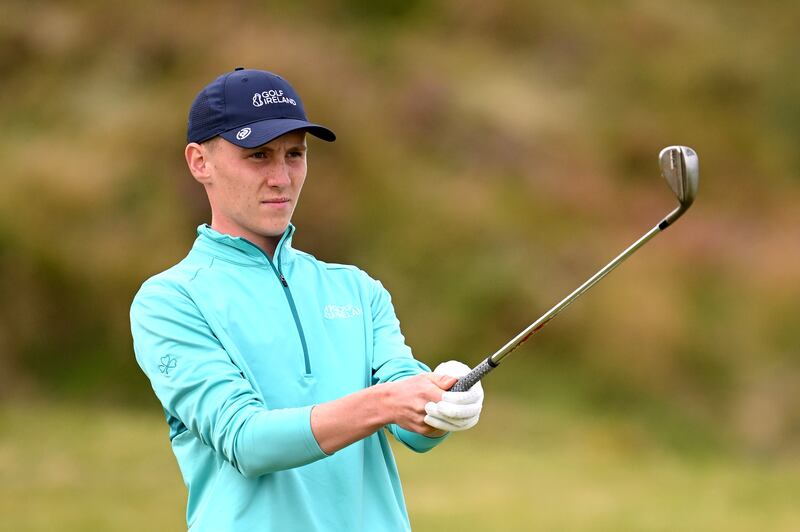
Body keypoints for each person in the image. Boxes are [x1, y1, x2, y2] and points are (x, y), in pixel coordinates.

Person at [130, 67, 485, 531]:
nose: (281, 177)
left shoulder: (358, 289)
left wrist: (443, 400)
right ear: (200, 162)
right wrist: (387, 402)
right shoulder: (171, 301)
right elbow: (246, 441)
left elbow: (410, 426)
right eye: (258, 155)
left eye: (294, 154)